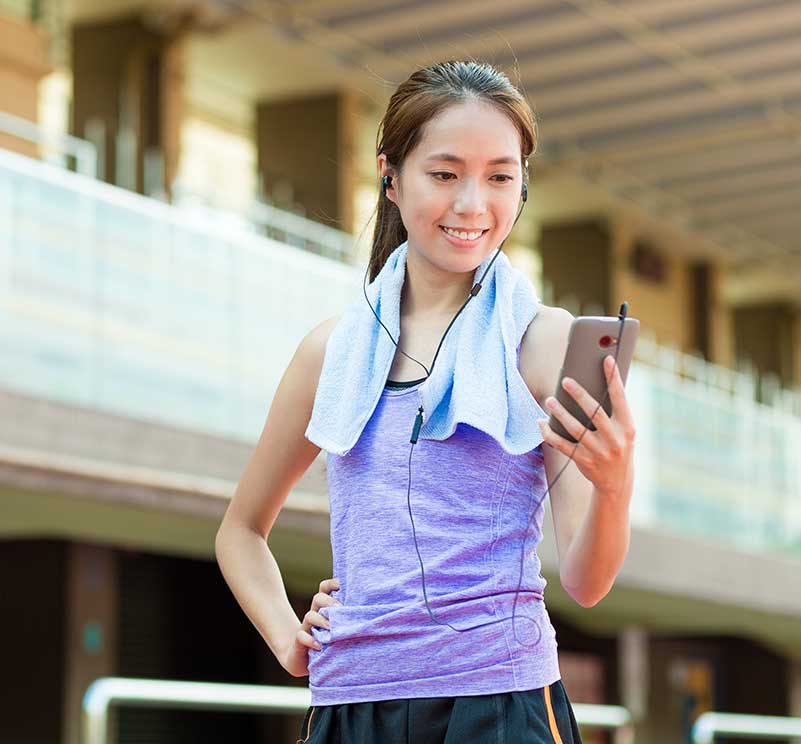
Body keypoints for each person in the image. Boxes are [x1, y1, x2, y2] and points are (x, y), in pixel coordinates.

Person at [215, 60, 636, 743]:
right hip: (354, 703)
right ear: (390, 175)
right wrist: (291, 639)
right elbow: (239, 532)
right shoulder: (331, 352)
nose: (474, 205)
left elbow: (587, 583)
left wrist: (614, 484)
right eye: (445, 174)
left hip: (499, 701)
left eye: (500, 176)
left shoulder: (546, 343)